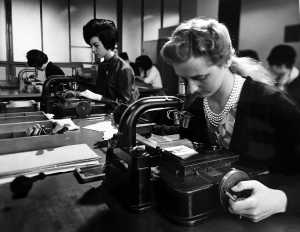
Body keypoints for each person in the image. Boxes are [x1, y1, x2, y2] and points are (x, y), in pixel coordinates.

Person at [160, 17, 300, 222]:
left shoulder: (274, 105)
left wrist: (281, 199)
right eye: (183, 79)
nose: (191, 89)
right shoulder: (197, 104)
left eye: (200, 77)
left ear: (226, 61)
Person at [80, 18, 139, 105]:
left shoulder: (124, 69)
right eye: (91, 46)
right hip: (104, 112)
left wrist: (98, 97)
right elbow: (101, 91)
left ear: (107, 42)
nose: (93, 50)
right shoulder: (103, 65)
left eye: (96, 45)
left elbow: (124, 105)